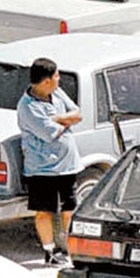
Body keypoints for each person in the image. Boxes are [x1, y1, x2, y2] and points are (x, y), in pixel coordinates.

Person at [17, 57, 82, 267]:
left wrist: (55, 119)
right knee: (44, 211)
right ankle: (50, 251)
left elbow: (77, 114)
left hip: (68, 164)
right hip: (43, 169)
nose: (59, 80)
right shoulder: (27, 107)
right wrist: (63, 120)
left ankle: (69, 249)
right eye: (56, 76)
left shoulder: (56, 93)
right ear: (46, 81)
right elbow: (48, 133)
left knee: (69, 209)